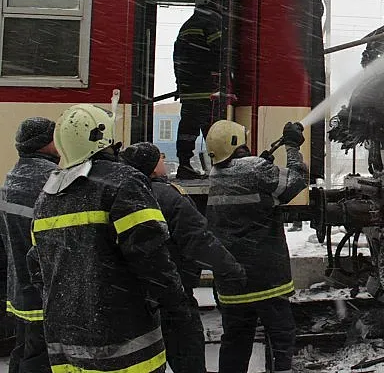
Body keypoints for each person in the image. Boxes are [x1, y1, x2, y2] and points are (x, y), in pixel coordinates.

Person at [30, 104, 191, 373]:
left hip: (66, 345)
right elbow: (151, 257)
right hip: (125, 344)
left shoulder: (46, 197)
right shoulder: (124, 182)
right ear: (103, 137)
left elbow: (37, 268)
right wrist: (177, 306)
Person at [121, 142, 246, 373]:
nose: (164, 160)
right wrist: (231, 269)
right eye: (160, 157)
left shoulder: (120, 195)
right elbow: (198, 239)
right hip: (173, 298)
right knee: (189, 360)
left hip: (132, 301)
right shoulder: (169, 196)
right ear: (152, 167)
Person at [205, 120, 308, 373]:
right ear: (236, 144)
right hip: (266, 276)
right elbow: (296, 180)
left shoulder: (215, 174)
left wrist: (261, 163)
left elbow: (246, 183)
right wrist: (292, 147)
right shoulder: (255, 169)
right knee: (281, 334)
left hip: (232, 279)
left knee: (236, 339)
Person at [0, 118, 58, 373]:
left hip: (19, 289)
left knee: (23, 348)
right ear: (44, 143)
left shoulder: (12, 177)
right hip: (43, 291)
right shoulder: (51, 180)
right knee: (40, 357)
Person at [173, 0, 224, 179]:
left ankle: (184, 164)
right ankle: (220, 168)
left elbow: (177, 58)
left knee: (188, 128)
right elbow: (220, 52)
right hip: (207, 88)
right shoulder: (212, 21)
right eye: (218, 0)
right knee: (213, 131)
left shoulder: (187, 25)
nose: (221, 4)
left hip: (189, 89)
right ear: (209, 0)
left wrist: (180, 84)